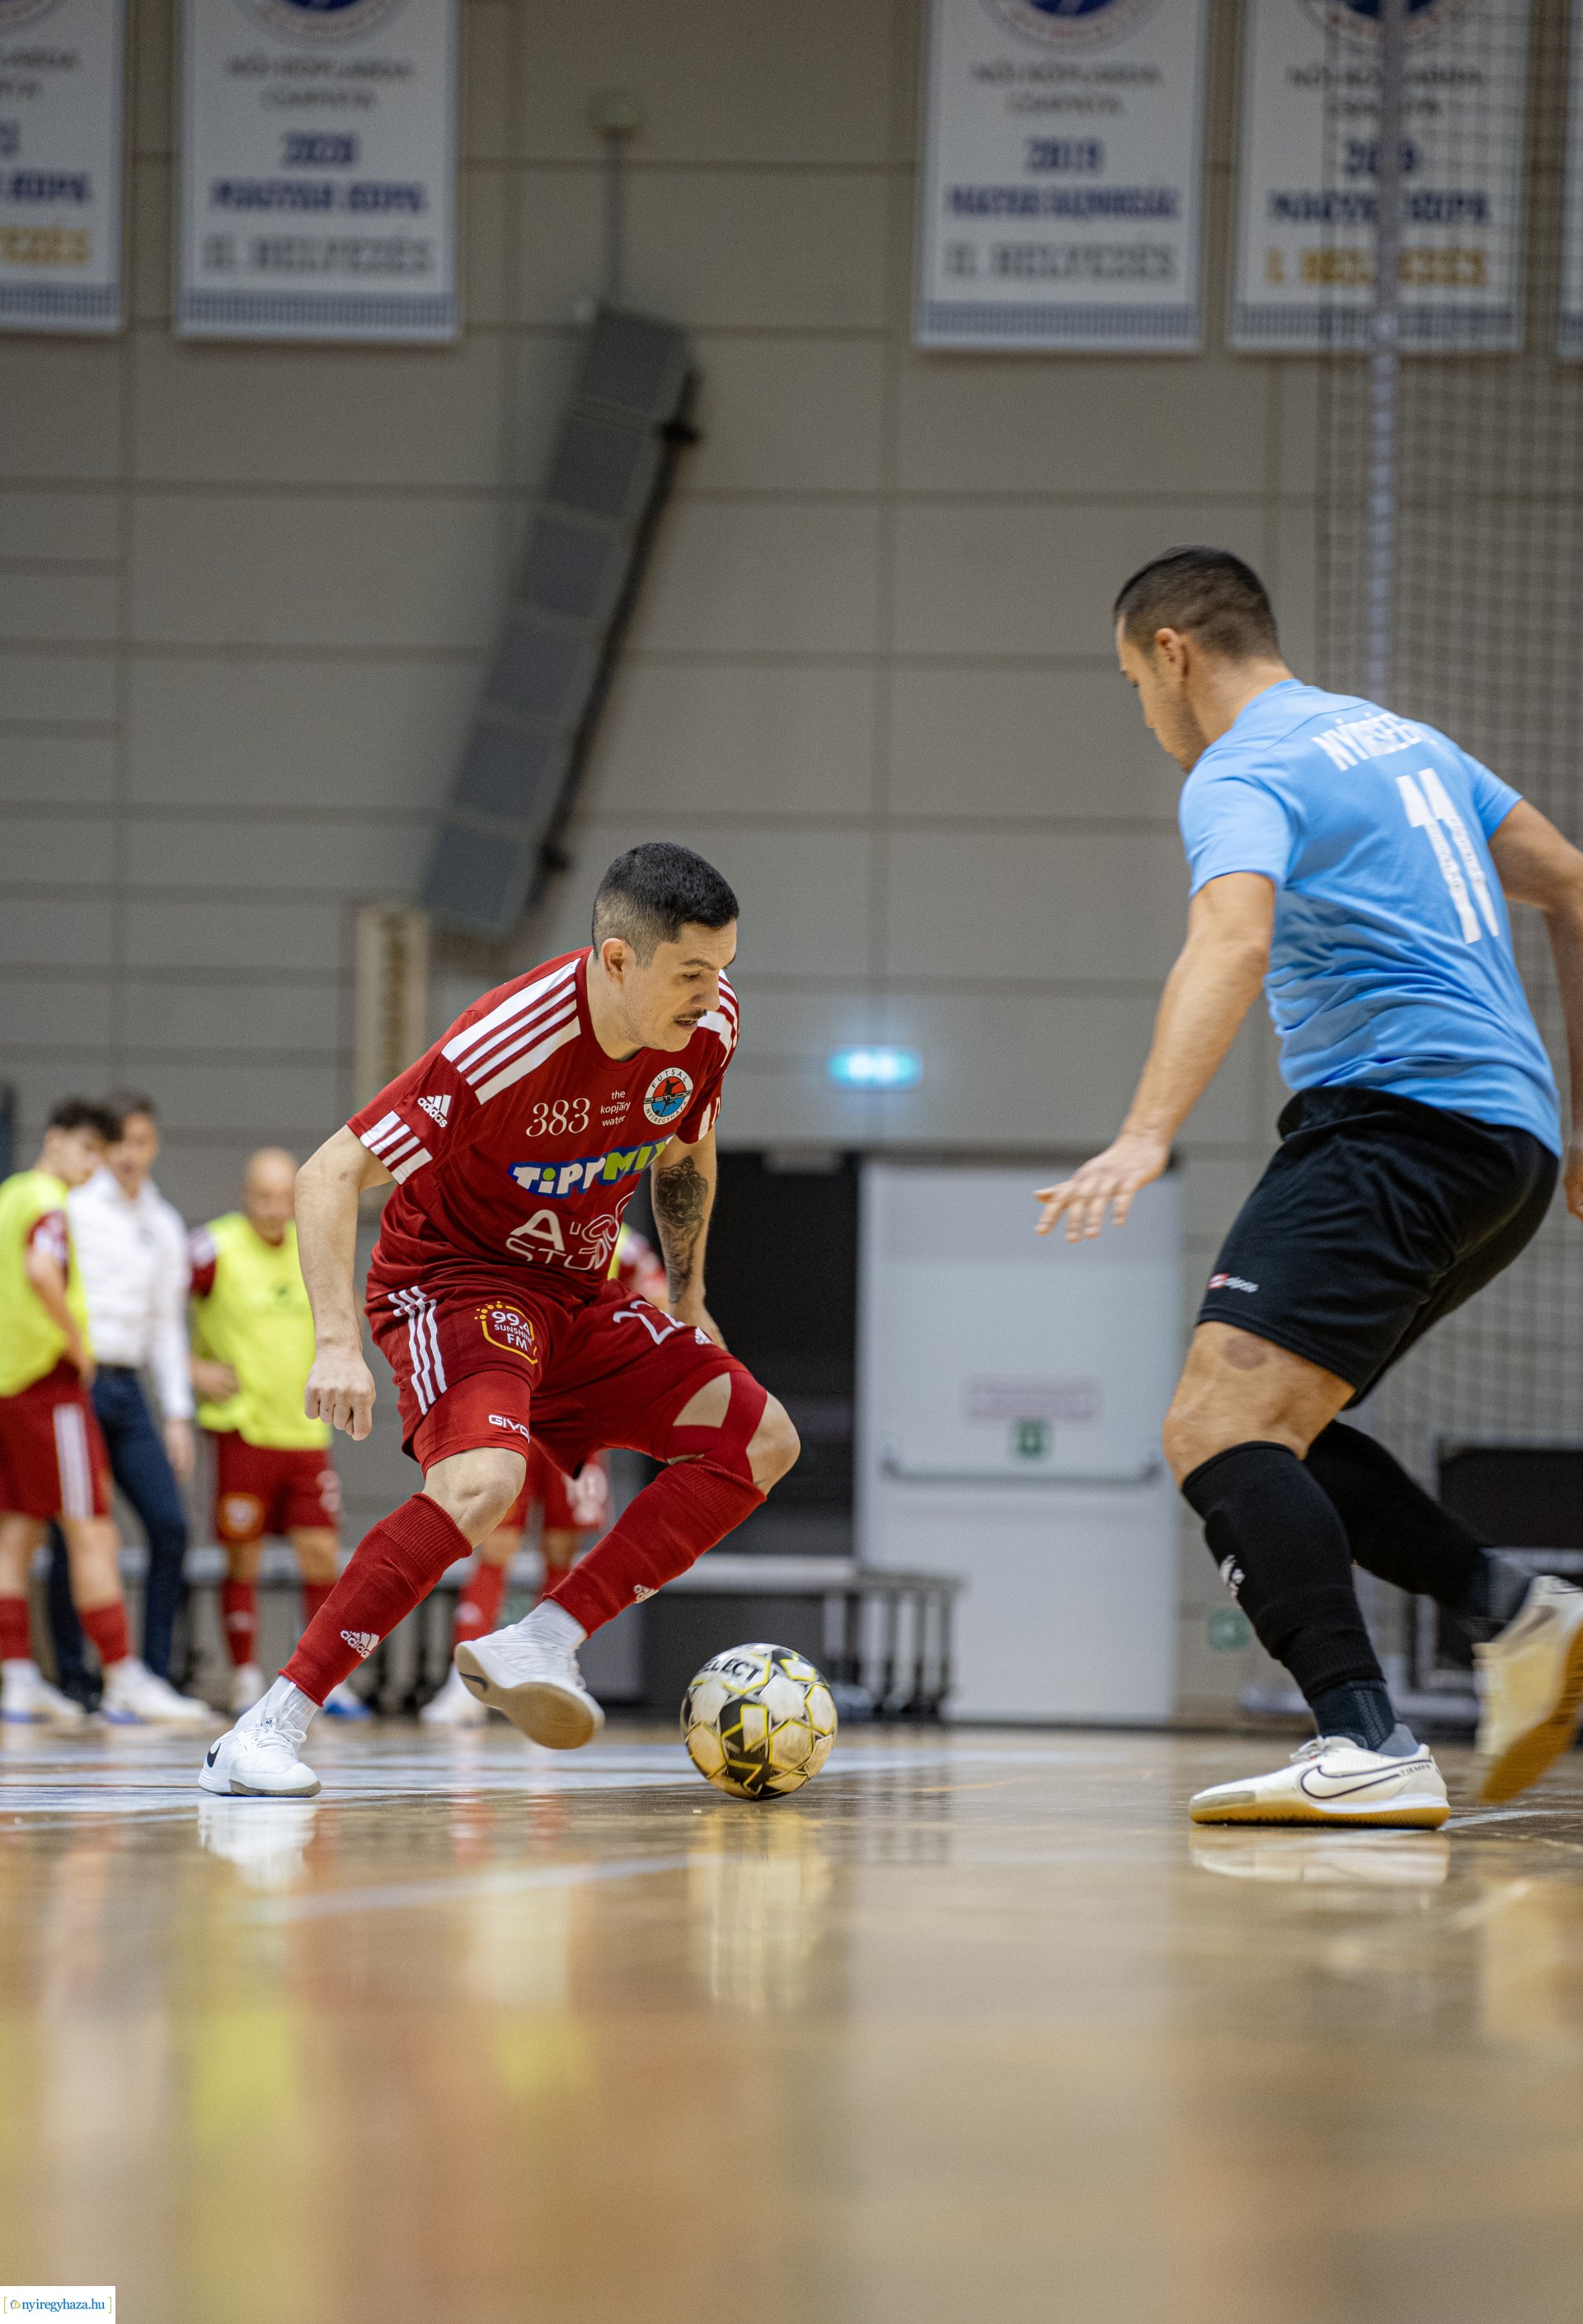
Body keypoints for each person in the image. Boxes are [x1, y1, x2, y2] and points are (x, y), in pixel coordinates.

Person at [1037, 547, 1583, 1829]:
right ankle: (1520, 1614)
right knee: (1274, 1425)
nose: (1147, 714)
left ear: (1173, 651)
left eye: (1133, 681)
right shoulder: (1408, 745)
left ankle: (1365, 1736)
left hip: (1395, 1122)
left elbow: (1232, 934)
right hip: (1510, 1143)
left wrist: (1141, 1133)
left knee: (1211, 1427)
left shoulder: (1244, 767)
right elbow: (1572, 884)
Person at [199, 841, 800, 1797]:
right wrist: (337, 1343)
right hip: (456, 1281)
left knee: (760, 1439)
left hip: (580, 1293)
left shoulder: (708, 1025)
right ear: (616, 959)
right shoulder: (507, 1037)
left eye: (724, 967)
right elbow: (330, 1172)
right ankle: (266, 1728)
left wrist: (688, 1299)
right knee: (483, 1483)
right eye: (691, 971)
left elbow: (685, 1154)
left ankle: (541, 1640)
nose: (712, 991)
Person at [0, 1099, 208, 1725]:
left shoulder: (11, 1192)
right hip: (53, 1382)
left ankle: (16, 1677)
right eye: (88, 1149)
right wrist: (74, 1341)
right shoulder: (51, 1201)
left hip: (14, 1384)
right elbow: (41, 1268)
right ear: (57, 1141)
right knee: (93, 1529)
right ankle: (121, 1673)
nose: (97, 1163)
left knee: (17, 1532)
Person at [421, 1221, 668, 1727]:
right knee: (495, 1543)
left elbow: (661, 1302)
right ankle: (462, 1681)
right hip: (513, 1402)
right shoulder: (530, 1220)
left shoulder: (623, 1245)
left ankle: (549, 1666)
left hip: (578, 1413)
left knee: (562, 1545)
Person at [189, 1150, 367, 1721]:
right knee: (242, 1558)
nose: (272, 1209)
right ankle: (244, 1674)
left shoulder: (313, 1244)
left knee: (320, 1556)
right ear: (245, 1194)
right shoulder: (213, 1248)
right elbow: (150, 1307)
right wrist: (190, 1368)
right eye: (262, 1197)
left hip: (305, 1433)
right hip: (243, 1428)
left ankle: (324, 1679)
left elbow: (350, 1307)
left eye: (281, 1198)